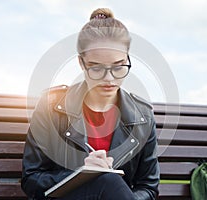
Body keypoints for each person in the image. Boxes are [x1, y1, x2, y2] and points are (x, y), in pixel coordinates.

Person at [21, 8, 160, 200]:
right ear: (81, 63)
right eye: (96, 68)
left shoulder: (142, 117)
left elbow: (148, 187)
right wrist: (81, 174)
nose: (109, 78)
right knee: (106, 180)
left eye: (119, 66)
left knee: (110, 183)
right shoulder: (50, 107)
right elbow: (31, 179)